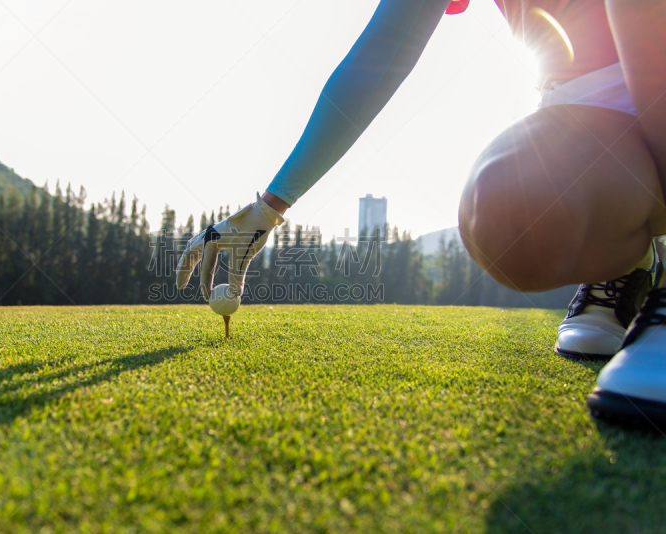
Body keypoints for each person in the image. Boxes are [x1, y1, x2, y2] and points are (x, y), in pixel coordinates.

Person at [177, 0, 666, 427]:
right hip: (590, 104)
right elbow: (383, 51)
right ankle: (624, 266)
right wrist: (269, 208)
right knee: (502, 214)